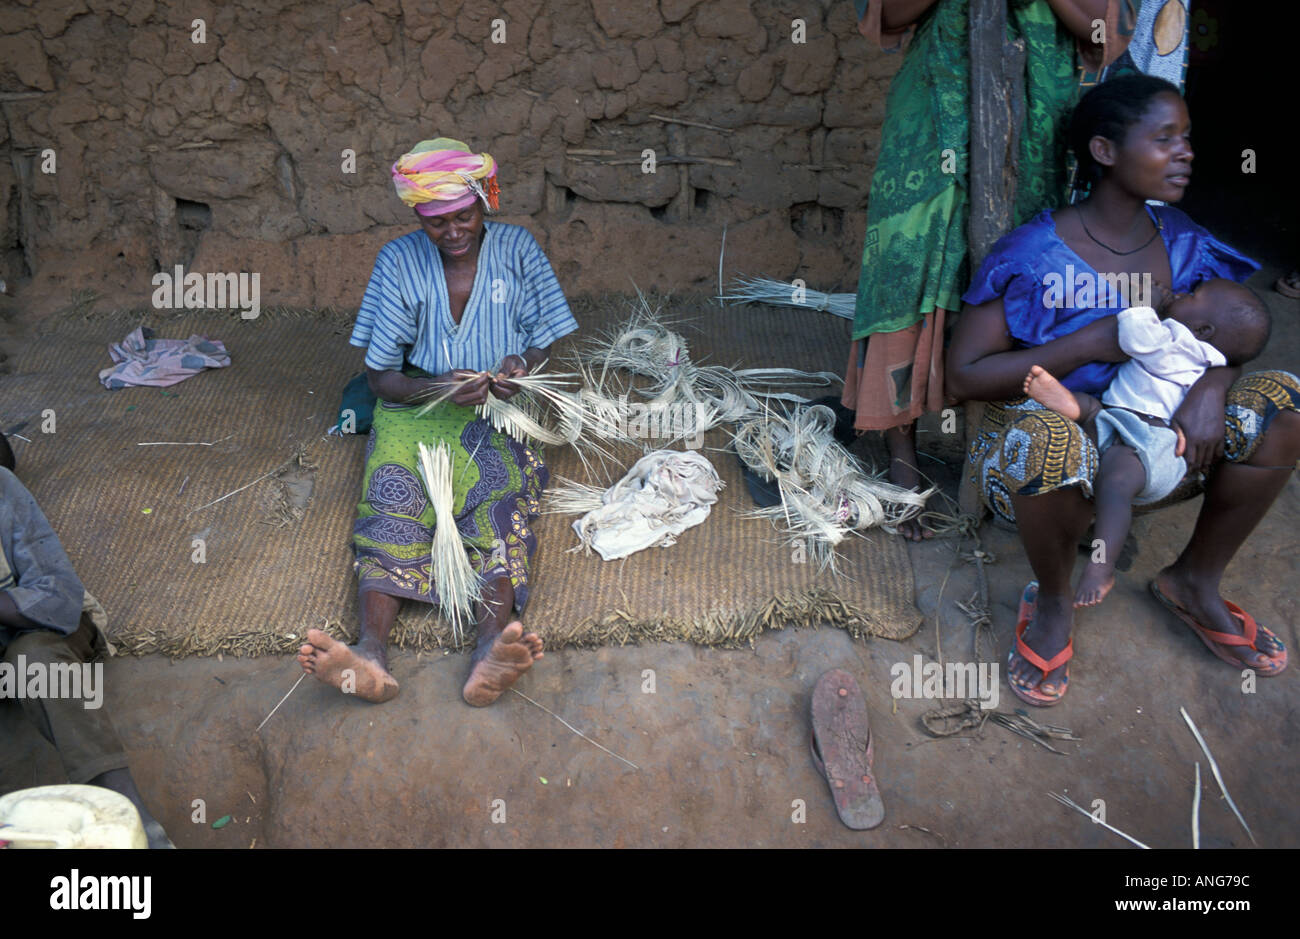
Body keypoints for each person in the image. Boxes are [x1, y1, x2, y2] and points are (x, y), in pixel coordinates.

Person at [946, 74, 1298, 705]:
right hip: (1060, 452)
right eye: (1165, 138)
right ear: (1106, 151)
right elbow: (962, 374)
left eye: (1186, 138)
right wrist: (1086, 345)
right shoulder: (1036, 254)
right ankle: (1053, 602)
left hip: (1168, 448)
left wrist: (1215, 385)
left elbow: (1231, 331)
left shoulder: (1183, 239)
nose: (1186, 152)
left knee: (1287, 404)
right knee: (1042, 439)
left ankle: (1194, 581)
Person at [297, 138, 578, 707]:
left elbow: (548, 346)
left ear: (484, 201)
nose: (452, 232)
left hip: (500, 406)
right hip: (415, 403)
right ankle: (370, 653)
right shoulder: (399, 262)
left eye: (464, 216)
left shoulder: (519, 250)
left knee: (497, 500)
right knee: (390, 495)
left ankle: (489, 651)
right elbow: (380, 379)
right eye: (435, 222)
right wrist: (438, 388)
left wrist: (521, 369)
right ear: (417, 218)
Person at [841, 0, 1126, 540]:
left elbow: (1106, 33)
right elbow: (884, 16)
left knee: (1016, 272)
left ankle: (1010, 452)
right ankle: (902, 452)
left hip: (1035, 119)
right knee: (907, 264)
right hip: (932, 116)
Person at [1023, 279, 1271, 606]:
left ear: (1204, 330)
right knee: (1094, 414)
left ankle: (1101, 563)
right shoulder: (1204, 355)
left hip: (1153, 442)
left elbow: (1136, 336)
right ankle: (1073, 406)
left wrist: (1145, 302)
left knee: (1115, 485)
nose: (1180, 294)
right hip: (1122, 420)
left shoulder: (1182, 345)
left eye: (1191, 296)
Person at [0, 432, 174, 847]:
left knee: (35, 662)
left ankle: (135, 822)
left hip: (40, 634)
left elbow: (57, 596)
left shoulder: (3, 488)